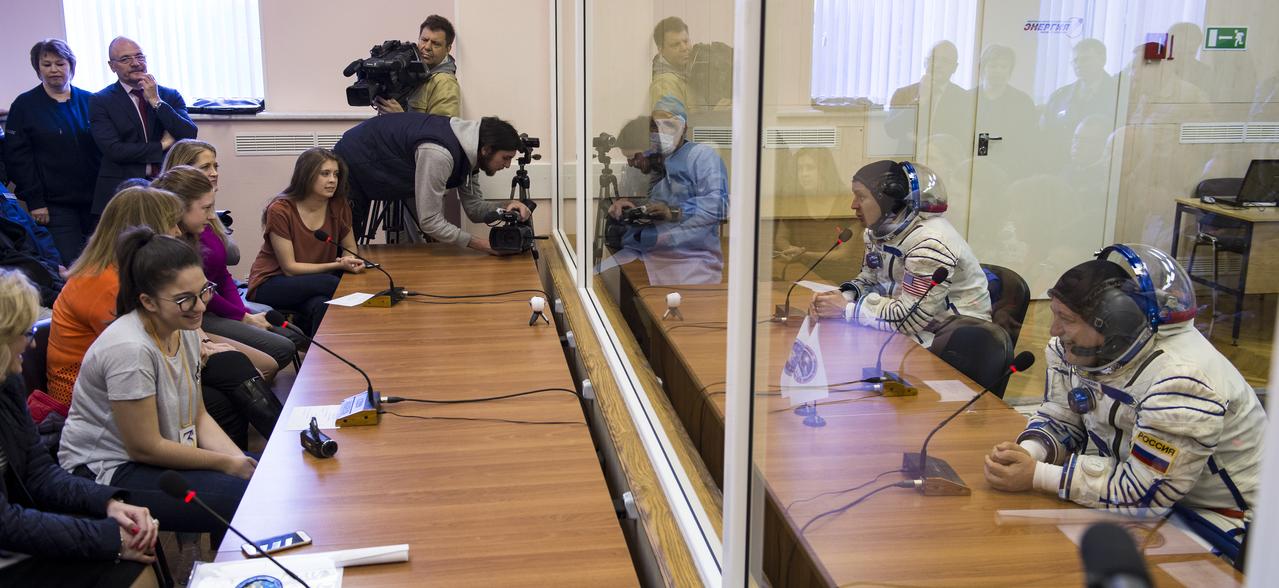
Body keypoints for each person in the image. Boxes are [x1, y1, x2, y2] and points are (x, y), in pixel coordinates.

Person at [984, 244, 1266, 564]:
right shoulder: (1078, 350)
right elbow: (1063, 414)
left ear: (1113, 323)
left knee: (1082, 565)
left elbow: (1143, 493)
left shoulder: (1183, 382)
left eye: (1066, 319)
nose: (1054, 331)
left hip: (1222, 521)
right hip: (1154, 502)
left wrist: (1037, 476)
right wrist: (1031, 452)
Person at [59, 227, 257, 550]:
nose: (201, 307)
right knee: (242, 499)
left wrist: (237, 460)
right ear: (147, 301)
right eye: (185, 300)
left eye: (203, 291)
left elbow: (198, 416)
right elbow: (145, 447)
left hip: (148, 456)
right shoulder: (130, 349)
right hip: (107, 472)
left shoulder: (184, 327)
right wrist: (224, 464)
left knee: (260, 479)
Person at [47, 188, 275, 449]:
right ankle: (265, 454)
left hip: (146, 370)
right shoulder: (103, 281)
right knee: (228, 375)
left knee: (228, 380)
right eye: (171, 223)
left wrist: (202, 347)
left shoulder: (127, 272)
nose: (178, 232)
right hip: (106, 394)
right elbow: (136, 354)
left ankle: (243, 463)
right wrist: (201, 351)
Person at [0, 269, 159, 587]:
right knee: (129, 570)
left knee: (134, 564)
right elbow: (5, 523)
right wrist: (107, 538)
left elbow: (38, 471)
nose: (31, 345)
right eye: (25, 332)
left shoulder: (7, 379)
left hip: (15, 531)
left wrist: (108, 504)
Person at [808, 160, 991, 345]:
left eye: (861, 197)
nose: (853, 205)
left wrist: (846, 309)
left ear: (887, 202)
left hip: (955, 338)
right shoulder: (877, 233)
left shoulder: (930, 244)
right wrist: (839, 298)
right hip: (919, 329)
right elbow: (870, 280)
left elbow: (911, 319)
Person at [151, 166, 299, 380]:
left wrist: (242, 315)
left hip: (206, 308)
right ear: (180, 208)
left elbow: (222, 275)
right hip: (198, 316)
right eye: (206, 208)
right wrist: (241, 317)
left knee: (288, 338)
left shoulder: (204, 229)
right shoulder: (172, 245)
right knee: (279, 349)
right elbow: (201, 297)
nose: (212, 215)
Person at [332, 113, 528, 252]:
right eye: (505, 158)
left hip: (377, 159)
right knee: (346, 247)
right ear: (487, 149)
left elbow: (474, 209)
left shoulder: (472, 152)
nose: (508, 165)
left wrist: (505, 207)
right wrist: (483, 245)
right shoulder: (440, 154)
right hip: (354, 160)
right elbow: (430, 222)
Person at [600, 96, 729, 285]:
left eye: (670, 126)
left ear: (684, 127)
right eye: (658, 126)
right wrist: (634, 207)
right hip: (656, 253)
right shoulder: (663, 163)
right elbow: (662, 203)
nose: (663, 132)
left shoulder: (702, 156)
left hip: (691, 262)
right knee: (599, 281)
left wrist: (673, 212)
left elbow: (719, 206)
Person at [247, 148, 366, 337]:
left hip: (315, 282)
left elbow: (350, 246)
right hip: (272, 282)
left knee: (322, 304)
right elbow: (289, 268)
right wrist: (337, 265)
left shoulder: (339, 204)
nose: (333, 180)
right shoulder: (280, 209)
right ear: (306, 175)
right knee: (333, 284)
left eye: (336, 174)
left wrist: (348, 259)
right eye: (325, 174)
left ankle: (320, 360)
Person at [4, 39, 101, 265]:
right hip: (53, 206)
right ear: (38, 69)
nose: (54, 70)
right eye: (46, 65)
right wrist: (35, 200)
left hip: (96, 201)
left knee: (101, 261)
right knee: (71, 265)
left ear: (71, 66)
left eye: (60, 63)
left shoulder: (91, 101)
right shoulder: (24, 105)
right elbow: (18, 159)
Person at [89, 37, 198, 217]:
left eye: (140, 57)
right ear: (112, 66)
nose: (135, 63)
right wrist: (161, 146)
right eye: (125, 59)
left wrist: (156, 101)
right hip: (122, 190)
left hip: (167, 186)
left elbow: (189, 134)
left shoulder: (168, 95)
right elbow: (114, 150)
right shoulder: (100, 101)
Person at [773, 148, 860, 282]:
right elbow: (781, 237)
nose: (804, 174)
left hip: (839, 277)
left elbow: (843, 255)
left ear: (825, 170)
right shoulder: (794, 200)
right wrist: (789, 250)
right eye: (800, 169)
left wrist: (802, 254)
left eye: (810, 168)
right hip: (801, 273)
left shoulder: (847, 202)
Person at [162, 139, 239, 265]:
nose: (214, 173)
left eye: (215, 166)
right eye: (205, 167)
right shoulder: (173, 217)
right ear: (183, 171)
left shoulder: (206, 206)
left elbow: (233, 256)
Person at [374, 15, 462, 117]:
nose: (427, 47)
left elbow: (439, 131)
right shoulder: (412, 73)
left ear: (448, 49)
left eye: (436, 44)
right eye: (424, 40)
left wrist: (401, 118)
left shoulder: (445, 82)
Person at [649, 17, 694, 110]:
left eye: (686, 41)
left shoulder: (688, 72)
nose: (684, 48)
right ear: (661, 50)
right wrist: (716, 113)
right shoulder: (664, 84)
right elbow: (669, 124)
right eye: (675, 44)